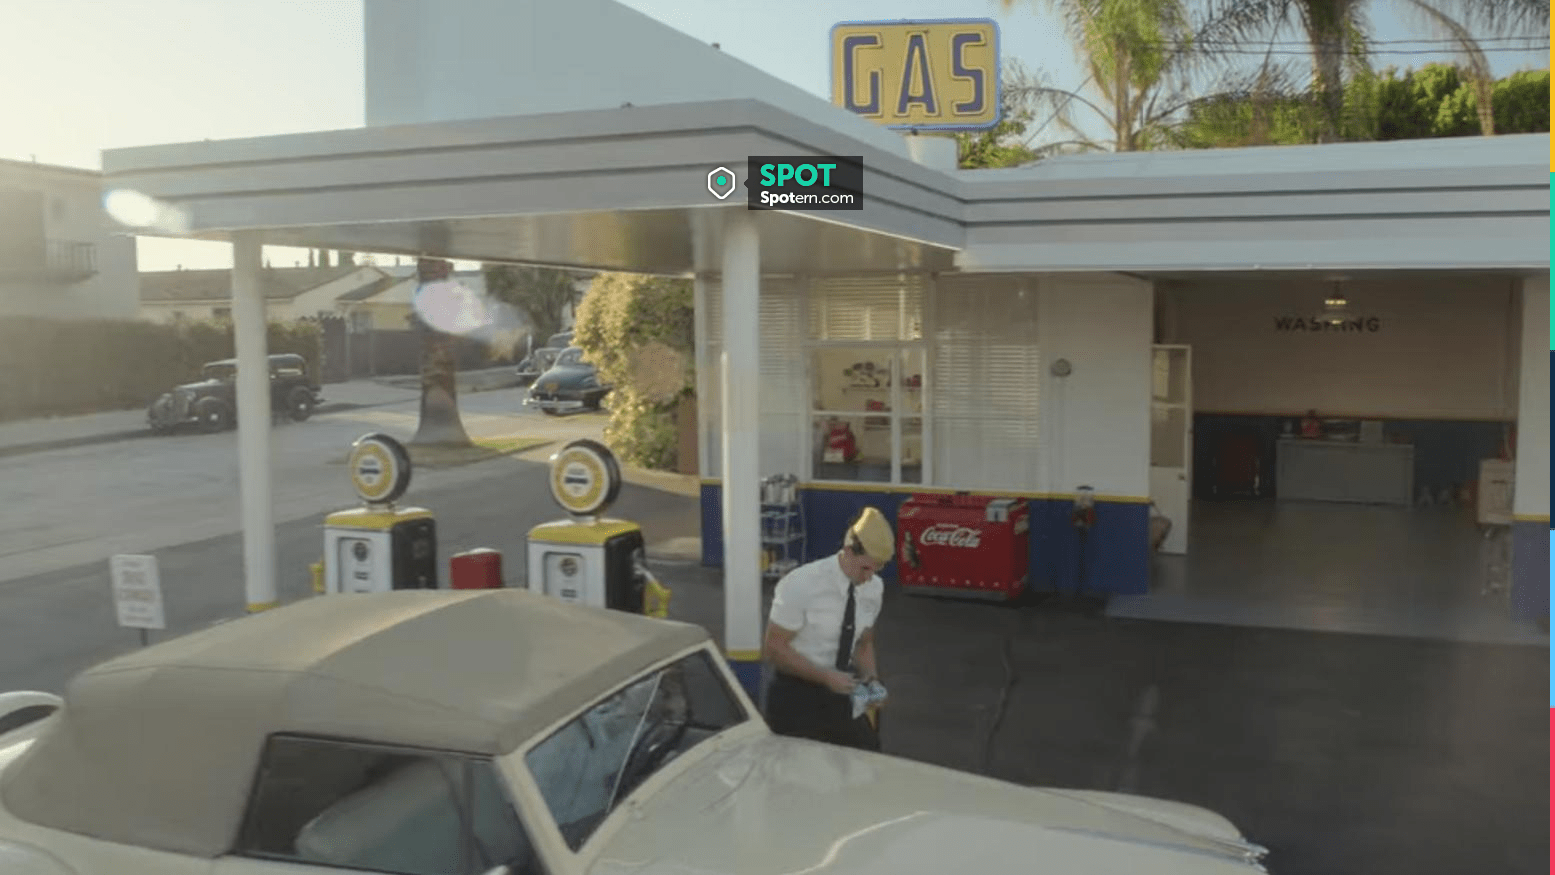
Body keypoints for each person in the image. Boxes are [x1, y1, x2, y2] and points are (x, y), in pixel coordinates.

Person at [761, 506, 893, 751]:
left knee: (869, 757)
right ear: (847, 551)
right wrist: (825, 677)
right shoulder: (801, 583)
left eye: (877, 569)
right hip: (795, 696)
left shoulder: (874, 588)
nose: (869, 577)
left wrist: (872, 680)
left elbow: (863, 643)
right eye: (865, 568)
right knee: (800, 775)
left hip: (841, 689)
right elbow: (774, 648)